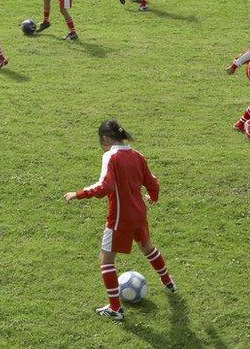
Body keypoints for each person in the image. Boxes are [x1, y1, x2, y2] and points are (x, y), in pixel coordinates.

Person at [63, 120, 176, 322]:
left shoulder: (110, 156)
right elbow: (152, 182)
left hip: (119, 216)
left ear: (105, 139)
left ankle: (115, 309)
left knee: (106, 260)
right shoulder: (137, 155)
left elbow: (104, 187)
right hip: (139, 213)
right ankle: (168, 282)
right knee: (147, 247)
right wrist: (153, 197)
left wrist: (78, 194)